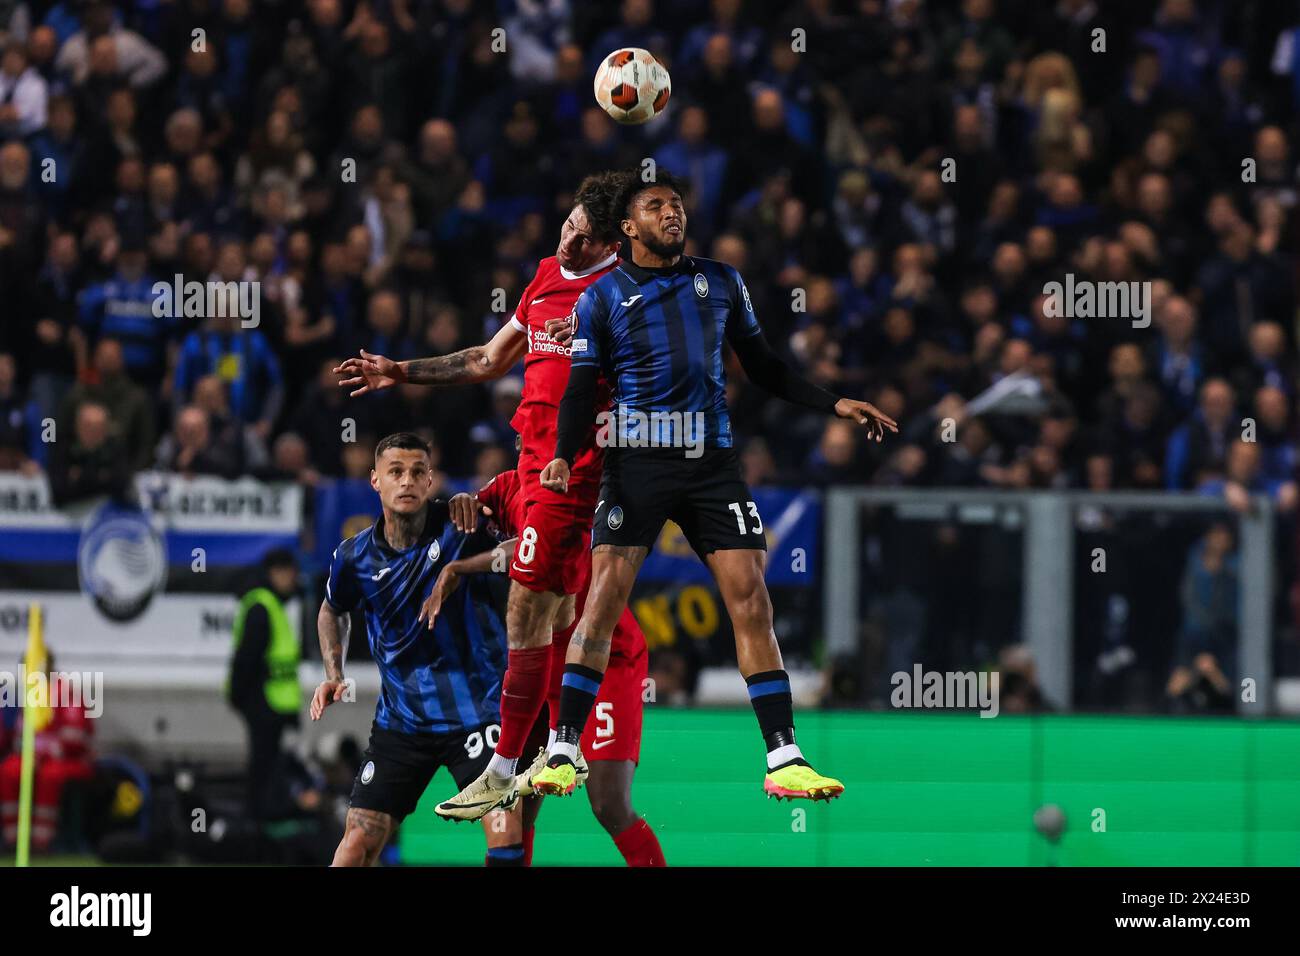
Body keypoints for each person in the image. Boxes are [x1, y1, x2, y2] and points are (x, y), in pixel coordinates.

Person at [535, 170, 896, 800]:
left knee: (751, 598)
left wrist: (833, 403)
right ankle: (562, 749)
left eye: (677, 205)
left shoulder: (722, 282)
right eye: (656, 207)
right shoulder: (599, 297)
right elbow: (577, 389)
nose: (672, 214)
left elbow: (763, 367)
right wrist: (564, 455)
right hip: (636, 463)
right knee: (604, 602)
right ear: (628, 226)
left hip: (711, 465)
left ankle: (784, 758)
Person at [333, 172, 627, 819]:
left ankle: (517, 761)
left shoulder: (622, 295)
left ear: (613, 243)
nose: (569, 244)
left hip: (570, 471)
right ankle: (555, 747)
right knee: (548, 615)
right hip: (529, 469)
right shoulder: (547, 276)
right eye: (568, 229)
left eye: (584, 239)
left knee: (526, 611)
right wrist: (401, 370)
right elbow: (486, 361)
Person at [311, 432, 534, 866]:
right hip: (403, 722)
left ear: (430, 480)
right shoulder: (353, 556)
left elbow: (529, 547)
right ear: (375, 481)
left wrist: (461, 567)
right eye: (395, 472)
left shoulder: (463, 525)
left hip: (479, 713)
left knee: (506, 838)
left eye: (417, 472)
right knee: (357, 841)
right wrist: (333, 673)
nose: (407, 481)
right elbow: (331, 610)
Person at [438, 469, 666, 866]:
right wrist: (460, 499)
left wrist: (462, 567)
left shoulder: (583, 484)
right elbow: (472, 507)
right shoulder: (508, 485)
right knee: (514, 803)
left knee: (608, 802)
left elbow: (533, 546)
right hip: (542, 658)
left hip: (605, 658)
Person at [227, 547, 303, 823]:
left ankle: (259, 828)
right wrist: (249, 702)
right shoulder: (263, 606)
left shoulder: (271, 604)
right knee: (263, 771)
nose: (294, 580)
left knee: (268, 770)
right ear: (276, 573)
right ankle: (256, 829)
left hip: (272, 706)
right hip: (265, 705)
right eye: (290, 574)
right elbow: (248, 659)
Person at [0, 652, 94, 853]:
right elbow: (16, 735)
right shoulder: (27, 693)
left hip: (67, 760)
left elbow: (75, 738)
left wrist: (44, 752)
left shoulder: (65, 692)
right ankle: (13, 840)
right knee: (8, 771)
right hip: (33, 757)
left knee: (49, 776)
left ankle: (42, 842)